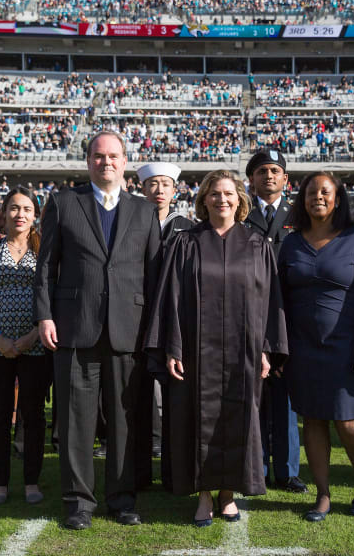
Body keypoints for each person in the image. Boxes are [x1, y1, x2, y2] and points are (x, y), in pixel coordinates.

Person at [144, 170, 287, 526]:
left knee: (238, 418)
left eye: (228, 194)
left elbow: (270, 301)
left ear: (240, 199)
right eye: (214, 194)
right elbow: (171, 298)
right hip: (196, 350)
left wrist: (267, 348)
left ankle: (229, 494)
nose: (221, 199)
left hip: (244, 352)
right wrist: (172, 347)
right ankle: (205, 494)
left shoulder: (257, 244)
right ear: (203, 200)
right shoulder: (185, 243)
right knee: (197, 418)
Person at [34, 131, 161, 530]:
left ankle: (122, 499)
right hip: (74, 326)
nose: (106, 162)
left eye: (114, 156)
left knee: (125, 420)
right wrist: (45, 316)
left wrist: (153, 331)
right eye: (98, 156)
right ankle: (78, 503)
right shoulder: (63, 202)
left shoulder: (144, 210)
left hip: (129, 329)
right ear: (88, 160)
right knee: (75, 421)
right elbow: (45, 267)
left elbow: (154, 274)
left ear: (126, 162)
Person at [279, 172, 354, 522]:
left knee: (348, 422)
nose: (317, 197)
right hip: (301, 345)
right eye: (310, 192)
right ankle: (322, 494)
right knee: (313, 420)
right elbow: (281, 297)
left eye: (325, 192)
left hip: (346, 344)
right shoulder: (290, 243)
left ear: (338, 199)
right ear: (302, 199)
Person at [0, 187, 50, 506]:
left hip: (36, 346)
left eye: (27, 209)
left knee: (33, 416)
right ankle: (0, 483)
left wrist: (32, 336)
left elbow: (52, 297)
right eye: (14, 208)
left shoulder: (45, 250)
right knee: (1, 416)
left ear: (36, 215)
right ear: (4, 213)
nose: (20, 214)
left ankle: (32, 481)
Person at [242, 148, 306, 494]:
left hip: (288, 319)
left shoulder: (300, 213)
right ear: (251, 179)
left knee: (284, 399)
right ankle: (256, 466)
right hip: (249, 317)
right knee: (253, 398)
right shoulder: (240, 213)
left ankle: (287, 470)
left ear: (285, 179)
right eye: (262, 171)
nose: (269, 176)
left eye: (275, 171)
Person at [137, 162, 194, 489]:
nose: (158, 190)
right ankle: (139, 473)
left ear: (175, 190)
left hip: (174, 322)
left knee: (176, 400)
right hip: (136, 320)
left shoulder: (187, 227)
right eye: (152, 184)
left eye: (165, 185)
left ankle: (175, 474)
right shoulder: (131, 223)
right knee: (137, 398)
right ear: (142, 188)